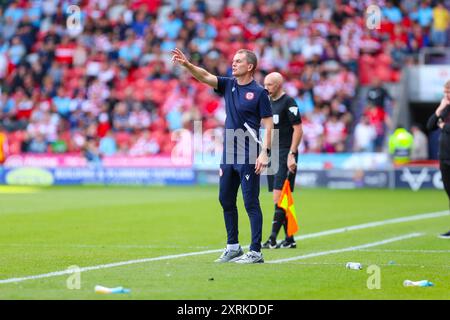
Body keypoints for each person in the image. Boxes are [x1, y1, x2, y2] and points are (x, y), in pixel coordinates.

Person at [171, 48, 273, 263]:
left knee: (250, 202)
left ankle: (255, 252)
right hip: (228, 154)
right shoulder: (229, 84)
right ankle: (233, 246)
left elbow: (269, 124)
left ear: (250, 66)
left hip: (249, 154)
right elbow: (205, 76)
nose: (233, 64)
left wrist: (265, 152)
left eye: (238, 61)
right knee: (225, 199)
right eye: (233, 60)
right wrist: (188, 65)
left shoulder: (259, 93)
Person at [261, 72, 303, 249]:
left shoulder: (289, 102)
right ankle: (289, 239)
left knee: (279, 195)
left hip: (285, 153)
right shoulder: (268, 103)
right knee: (280, 197)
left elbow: (298, 129)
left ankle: (271, 239)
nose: (266, 87)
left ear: (278, 85)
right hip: (273, 154)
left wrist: (292, 154)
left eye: (269, 84)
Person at [426, 80, 450, 239]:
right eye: (445, 93)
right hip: (445, 157)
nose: (446, 96)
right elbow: (430, 126)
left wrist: (444, 127)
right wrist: (440, 109)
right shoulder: (446, 109)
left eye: (448, 93)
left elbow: (444, 127)